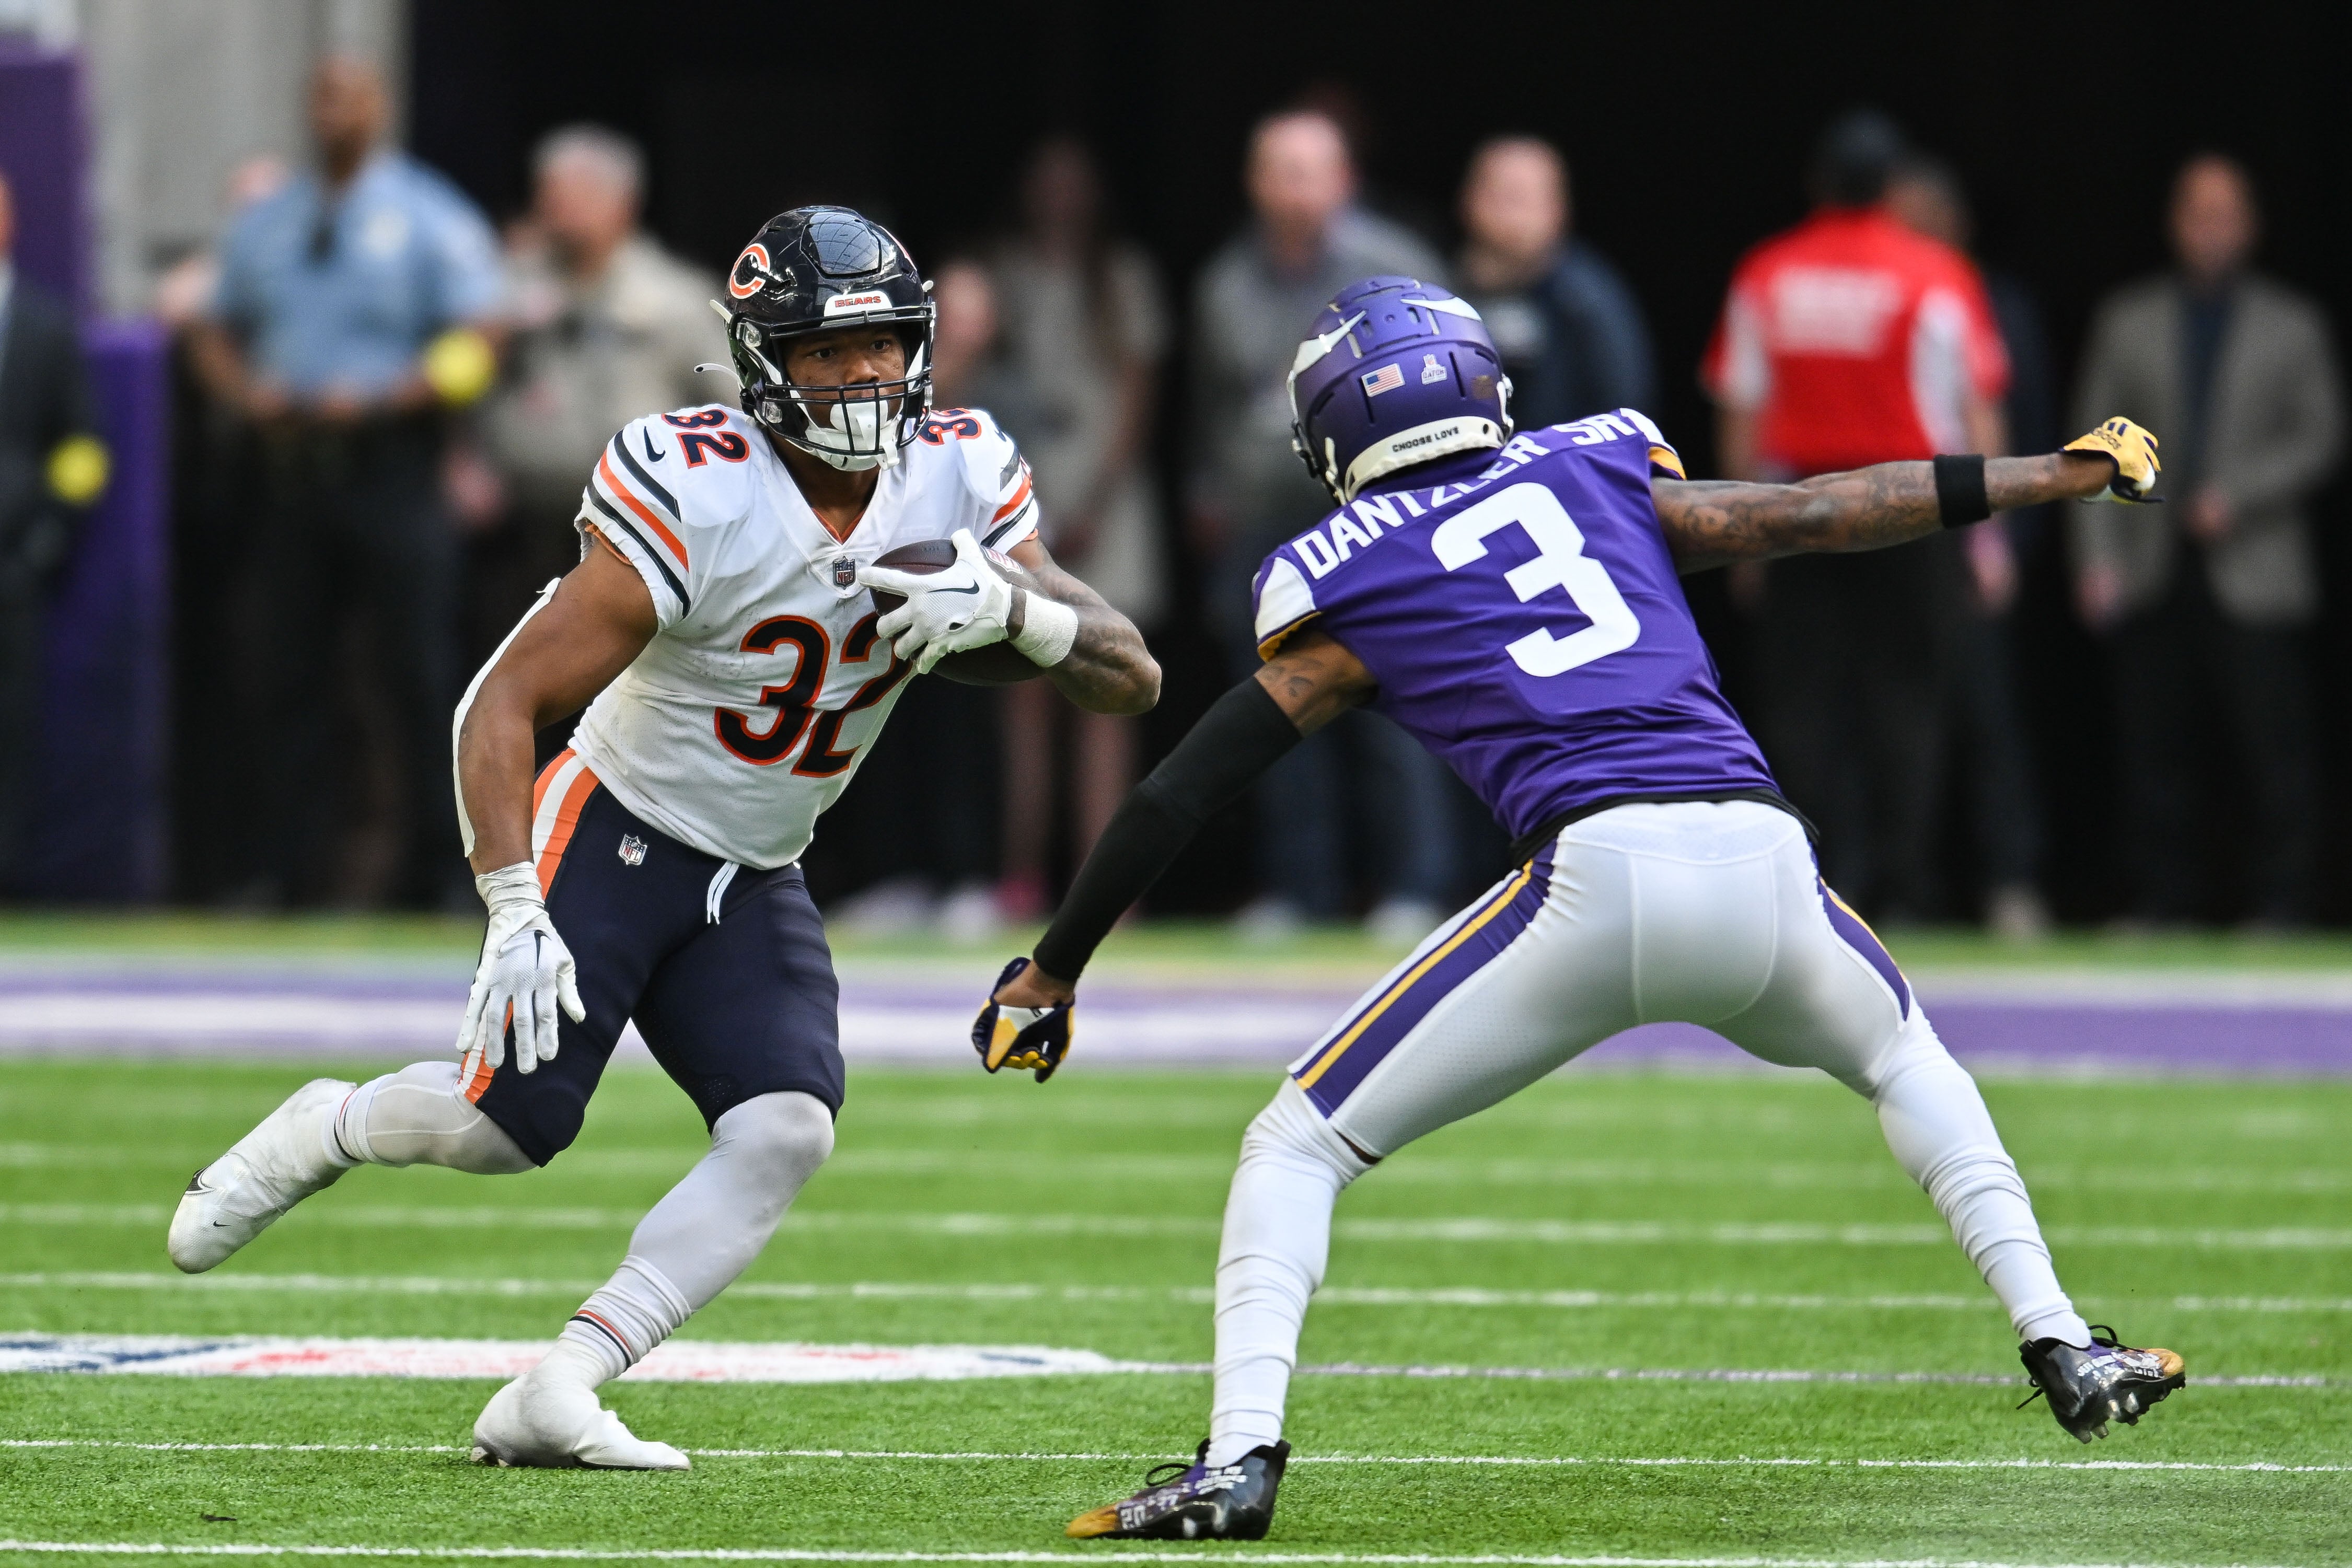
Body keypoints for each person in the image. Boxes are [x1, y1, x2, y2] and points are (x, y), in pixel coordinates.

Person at [974, 278, 2182, 1539]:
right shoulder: (1597, 468)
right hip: (1766, 856)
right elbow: (1819, 509)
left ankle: (1238, 1460)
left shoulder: (1345, 571)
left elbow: (1181, 789)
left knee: (1297, 1145)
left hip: (1592, 875)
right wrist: (2058, 472)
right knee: (1907, 1059)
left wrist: (1053, 968)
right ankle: (2063, 1341)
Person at [165, 207, 1158, 1470]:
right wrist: (513, 902)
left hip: (760, 861)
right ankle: (330, 1125)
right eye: (826, 349)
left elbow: (1131, 675)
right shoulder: (699, 484)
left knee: (788, 1127)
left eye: (882, 344)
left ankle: (560, 1385)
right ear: (764, 364)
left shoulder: (959, 466)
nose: (863, 376)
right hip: (620, 825)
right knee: (504, 1129)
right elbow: (501, 701)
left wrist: (1020, 610)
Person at [185, 56, 504, 908]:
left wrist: (388, 396)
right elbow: (210, 324)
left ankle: (441, 873)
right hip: (291, 475)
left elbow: (481, 335)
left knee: (420, 675)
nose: (335, 112)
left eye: (350, 98)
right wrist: (244, 394)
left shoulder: (428, 213)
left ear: (379, 107)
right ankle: (289, 873)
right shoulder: (270, 219)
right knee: (286, 676)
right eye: (322, 97)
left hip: (391, 464)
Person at [1701, 112, 2009, 921]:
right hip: (1914, 514)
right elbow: (1975, 404)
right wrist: (1988, 535)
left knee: (1801, 704)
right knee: (1907, 701)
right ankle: (1901, 889)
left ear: (1817, 181)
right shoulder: (1934, 272)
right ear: (1892, 187)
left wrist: (1743, 535)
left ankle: (1812, 885)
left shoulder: (1768, 272)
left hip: (1799, 515)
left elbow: (1741, 408)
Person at [1190, 109, 1459, 940]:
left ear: (1344, 180)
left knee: (1397, 701)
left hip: (1380, 520)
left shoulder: (1396, 266)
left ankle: (1413, 885)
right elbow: (1211, 406)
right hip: (1269, 527)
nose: (1294, 189)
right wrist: (1211, 491)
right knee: (1280, 706)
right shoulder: (1225, 284)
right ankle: (1299, 889)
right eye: (1279, 171)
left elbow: (1454, 384)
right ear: (1254, 183)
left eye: (1310, 171)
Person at [2071, 155, 2345, 926]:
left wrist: (2240, 496)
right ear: (2174, 223)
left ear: (2250, 226)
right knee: (2154, 746)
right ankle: (2163, 900)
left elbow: (2320, 434)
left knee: (2271, 748)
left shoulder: (2292, 324)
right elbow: (2088, 447)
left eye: (2224, 215)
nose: (2209, 230)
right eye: (2196, 214)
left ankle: (2282, 903)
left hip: (2254, 568)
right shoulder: (2128, 319)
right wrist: (2096, 560)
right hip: (2149, 563)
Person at [990, 138, 1171, 923]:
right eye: (1047, 184)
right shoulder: (1003, 273)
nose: (1060, 199)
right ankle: (1022, 875)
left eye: (1074, 185)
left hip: (1106, 500)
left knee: (1106, 693)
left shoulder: (1123, 277)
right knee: (1022, 693)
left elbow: (1137, 395)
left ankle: (1107, 888)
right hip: (1018, 494)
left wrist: (1093, 501)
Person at [1883, 156, 2052, 939]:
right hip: (1885, 534)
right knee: (1893, 715)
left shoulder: (1984, 301)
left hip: (1964, 533)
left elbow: (2009, 418)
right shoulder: (1881, 298)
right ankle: (1897, 885)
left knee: (1987, 717)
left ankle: (2010, 880)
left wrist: (1995, 543)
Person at [473, 126, 719, 638]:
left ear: (623, 203)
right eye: (549, 193)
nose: (558, 208)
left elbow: (732, 405)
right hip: (522, 528)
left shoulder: (674, 298)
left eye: (578, 193)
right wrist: (464, 458)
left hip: (639, 539)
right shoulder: (504, 287)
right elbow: (464, 383)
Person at [0, 170, 108, 890]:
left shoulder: (44, 325)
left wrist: (44, 539)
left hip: (12, 563)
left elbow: (83, 451)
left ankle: (8, 869)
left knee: (13, 724)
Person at [1454, 135, 1654, 427]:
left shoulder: (1586, 299)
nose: (1512, 216)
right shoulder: (1439, 287)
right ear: (1468, 200)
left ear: (1559, 209)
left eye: (1525, 200)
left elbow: (1628, 410)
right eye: (1500, 197)